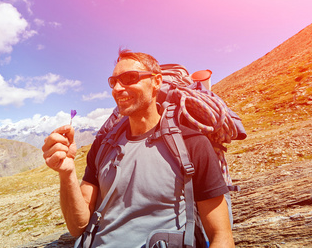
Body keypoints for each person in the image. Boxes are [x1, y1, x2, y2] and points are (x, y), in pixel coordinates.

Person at [42, 49, 235, 248]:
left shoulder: (192, 143)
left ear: (156, 82)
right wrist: (67, 174)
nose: (117, 88)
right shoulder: (103, 145)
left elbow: (221, 235)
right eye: (113, 81)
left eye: (129, 78)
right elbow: (78, 226)